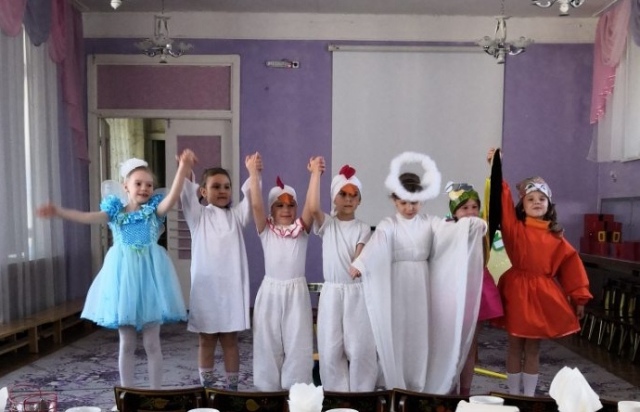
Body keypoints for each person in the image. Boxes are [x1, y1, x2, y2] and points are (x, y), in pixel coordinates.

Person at [36, 150, 197, 389]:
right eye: (138, 183)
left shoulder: (154, 211)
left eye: (149, 184)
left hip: (150, 281)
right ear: (126, 186)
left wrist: (183, 168)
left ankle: (156, 394)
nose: (144, 188)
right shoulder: (115, 213)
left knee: (152, 344)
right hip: (123, 282)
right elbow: (86, 217)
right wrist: (59, 212)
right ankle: (127, 392)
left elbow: (173, 197)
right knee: (127, 343)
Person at [349, 151, 486, 394]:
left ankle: (419, 381)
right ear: (394, 200)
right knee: (399, 330)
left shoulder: (429, 222)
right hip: (398, 284)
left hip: (422, 284)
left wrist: (470, 224)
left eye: (414, 202)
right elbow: (377, 244)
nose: (409, 208)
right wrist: (360, 263)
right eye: (403, 202)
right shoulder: (389, 225)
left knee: (420, 332)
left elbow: (449, 231)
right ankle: (398, 380)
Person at [487, 148, 592, 396]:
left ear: (549, 205)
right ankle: (514, 393)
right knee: (515, 345)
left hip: (541, 296)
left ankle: (529, 396)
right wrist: (495, 166)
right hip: (516, 292)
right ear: (522, 205)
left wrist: (579, 297)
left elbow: (571, 266)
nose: (536, 202)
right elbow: (502, 199)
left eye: (541, 199)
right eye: (531, 199)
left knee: (533, 349)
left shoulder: (556, 237)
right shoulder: (515, 229)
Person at [180, 157, 260, 390]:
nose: (223, 191)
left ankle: (231, 389)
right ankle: (208, 388)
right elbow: (186, 195)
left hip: (230, 290)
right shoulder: (198, 216)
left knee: (230, 340)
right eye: (216, 186)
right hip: (206, 291)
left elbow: (251, 200)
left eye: (226, 186)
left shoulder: (236, 216)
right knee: (206, 340)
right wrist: (185, 167)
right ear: (203, 192)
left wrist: (253, 173)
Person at [248, 154, 320, 391]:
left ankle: (297, 389)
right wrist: (253, 173)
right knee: (267, 341)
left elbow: (311, 207)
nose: (286, 209)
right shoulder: (265, 230)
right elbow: (256, 205)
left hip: (296, 294)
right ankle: (267, 388)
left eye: (291, 205)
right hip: (270, 293)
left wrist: (314, 174)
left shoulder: (301, 231)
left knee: (298, 342)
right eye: (280, 205)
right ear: (271, 209)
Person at [307, 162, 378, 392]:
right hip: (331, 293)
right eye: (343, 194)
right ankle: (336, 393)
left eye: (353, 195)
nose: (348, 199)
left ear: (359, 200)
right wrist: (316, 174)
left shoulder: (362, 228)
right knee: (330, 347)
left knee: (359, 347)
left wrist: (358, 265)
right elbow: (313, 206)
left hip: (356, 293)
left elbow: (359, 257)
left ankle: (361, 392)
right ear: (334, 198)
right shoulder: (327, 225)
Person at [445, 182, 504, 396]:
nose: (470, 212)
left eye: (474, 207)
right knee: (452, 347)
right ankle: (449, 389)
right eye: (464, 208)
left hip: (476, 288)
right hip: (453, 291)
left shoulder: (481, 227)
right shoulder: (446, 229)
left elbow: (492, 211)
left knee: (470, 345)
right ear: (454, 212)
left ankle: (465, 392)